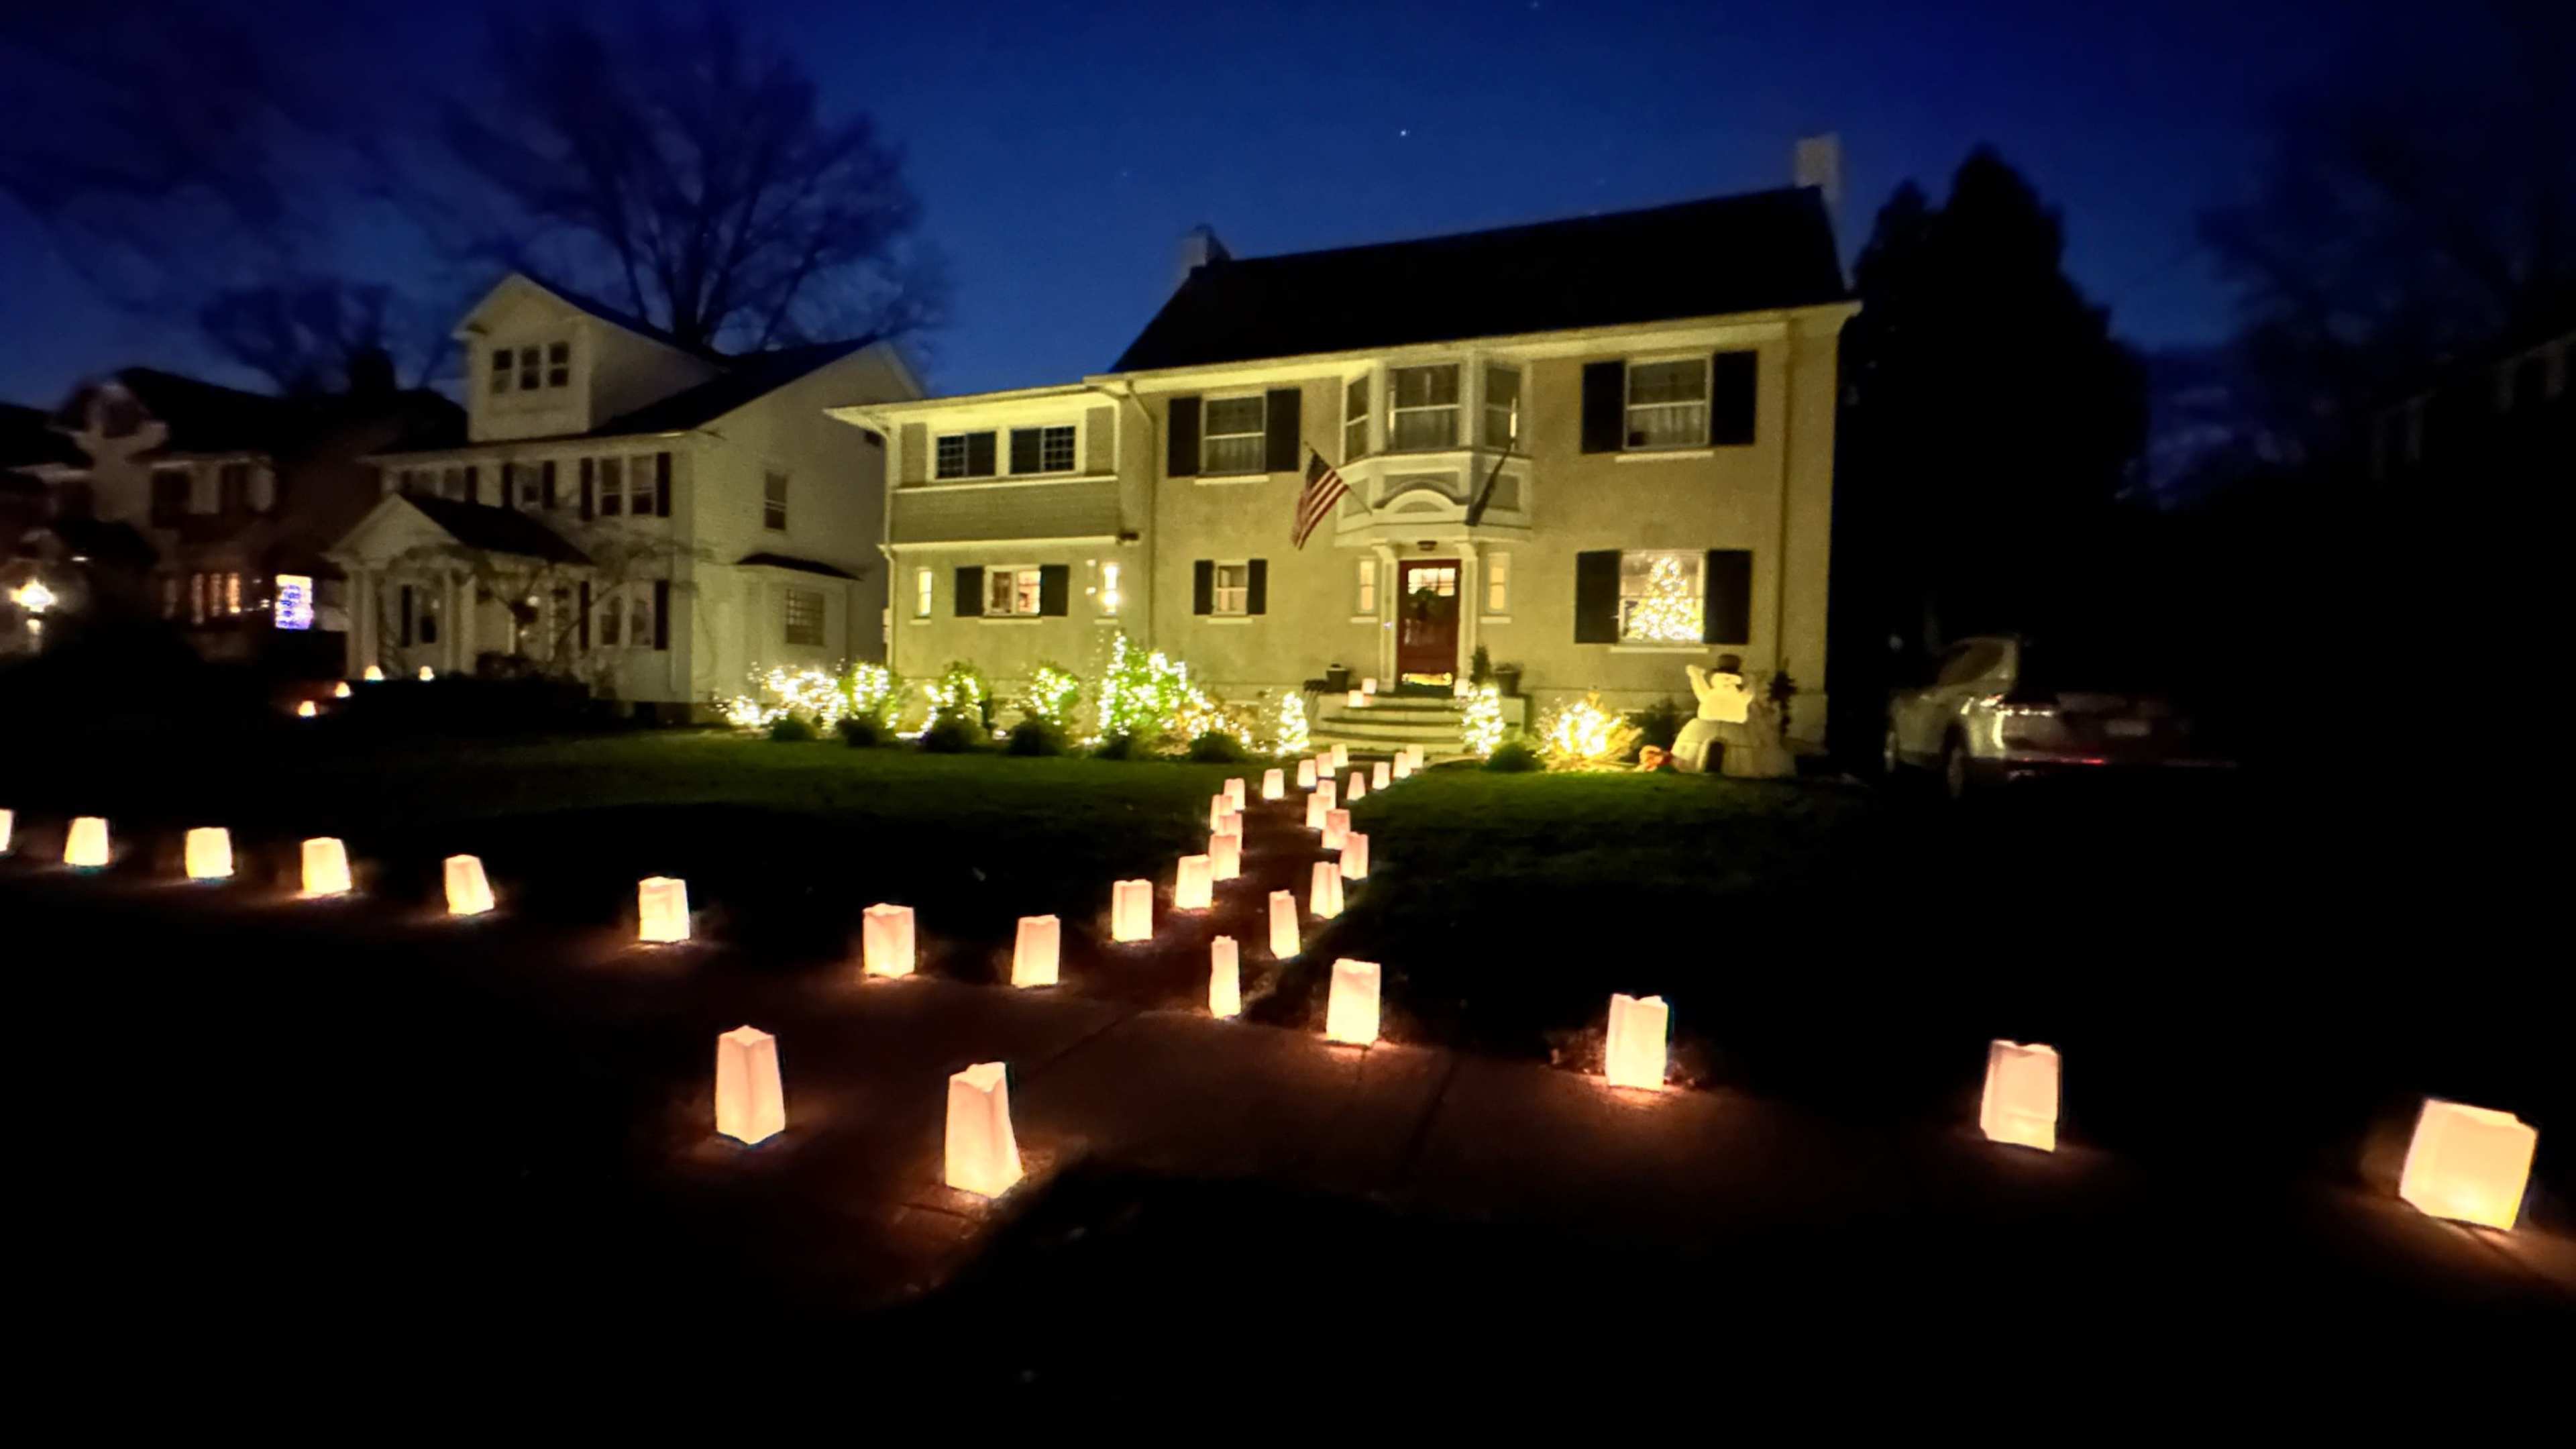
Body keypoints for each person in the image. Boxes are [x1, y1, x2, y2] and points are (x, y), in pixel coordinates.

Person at [1674, 654, 1754, 773]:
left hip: (1734, 728)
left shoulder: (1737, 697)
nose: (1727, 681)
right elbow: (1699, 688)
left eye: (1730, 678)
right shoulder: (1710, 695)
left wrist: (1754, 684)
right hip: (1707, 725)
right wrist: (1696, 675)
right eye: (1723, 677)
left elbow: (1749, 694)